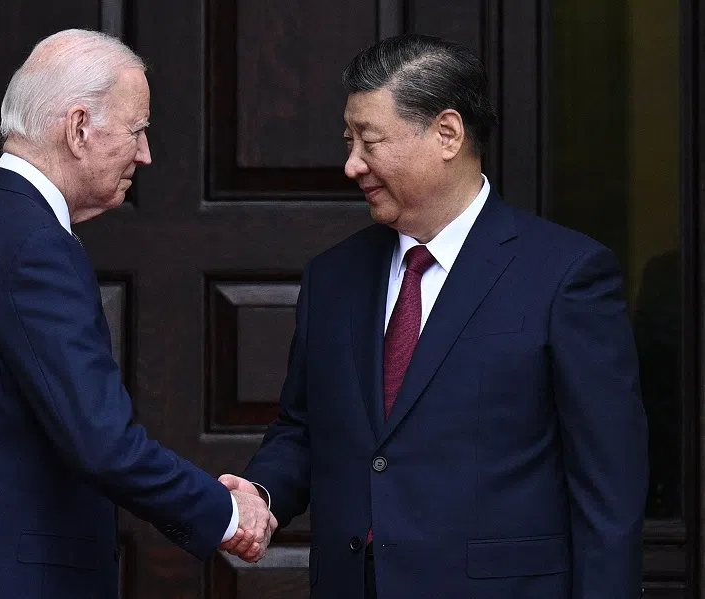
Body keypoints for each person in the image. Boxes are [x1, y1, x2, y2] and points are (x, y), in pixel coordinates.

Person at [219, 34, 648, 598]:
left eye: (369, 141)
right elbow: (303, 428)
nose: (351, 165)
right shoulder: (334, 277)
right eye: (349, 141)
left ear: (447, 133)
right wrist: (260, 494)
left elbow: (608, 486)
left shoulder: (564, 274)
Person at [0, 29, 275, 599]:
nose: (146, 153)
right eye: (137, 131)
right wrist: (227, 514)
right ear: (79, 128)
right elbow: (101, 441)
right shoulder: (34, 245)